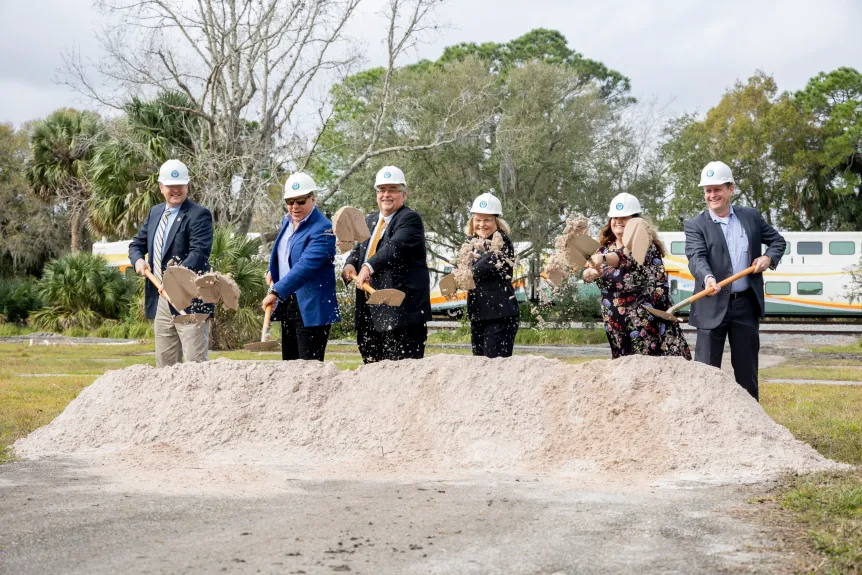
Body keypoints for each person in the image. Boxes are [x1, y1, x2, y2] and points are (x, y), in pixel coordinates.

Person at [684, 161, 786, 401]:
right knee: (706, 373)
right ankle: (706, 424)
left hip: (745, 305)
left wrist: (768, 258)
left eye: (717, 189)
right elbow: (696, 257)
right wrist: (708, 278)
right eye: (707, 190)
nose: (712, 195)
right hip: (711, 304)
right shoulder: (695, 224)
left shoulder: (750, 217)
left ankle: (752, 426)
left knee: (746, 372)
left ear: (731, 189)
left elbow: (778, 242)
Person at [583, 193, 691, 360]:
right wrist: (591, 273)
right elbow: (588, 271)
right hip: (616, 324)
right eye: (615, 217)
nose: (618, 221)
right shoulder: (604, 248)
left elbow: (624, 258)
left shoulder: (644, 244)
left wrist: (603, 259)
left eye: (624, 217)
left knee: (649, 371)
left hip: (646, 323)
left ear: (636, 222)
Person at [129, 159, 214, 368]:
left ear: (187, 186)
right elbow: (137, 244)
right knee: (165, 368)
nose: (176, 190)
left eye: (180, 186)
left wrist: (173, 278)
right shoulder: (155, 212)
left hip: (191, 300)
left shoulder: (198, 215)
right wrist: (138, 259)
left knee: (195, 365)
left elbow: (198, 253)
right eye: (170, 186)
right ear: (161, 187)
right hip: (162, 301)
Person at [343, 166, 431, 363]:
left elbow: (393, 248)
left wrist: (367, 267)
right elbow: (360, 249)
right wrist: (350, 263)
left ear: (403, 194)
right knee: (372, 374)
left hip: (401, 316)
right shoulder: (371, 220)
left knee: (402, 376)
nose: (386, 195)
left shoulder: (409, 219)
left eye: (393, 189)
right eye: (382, 190)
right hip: (369, 315)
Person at [262, 173, 340, 361]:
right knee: (289, 364)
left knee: (308, 368)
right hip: (288, 301)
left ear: (313, 198)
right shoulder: (287, 222)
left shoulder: (324, 229)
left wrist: (276, 290)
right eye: (290, 201)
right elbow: (286, 254)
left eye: (301, 201)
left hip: (312, 306)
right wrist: (273, 271)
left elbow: (305, 266)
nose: (295, 206)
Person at [464, 192, 519, 358]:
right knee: (479, 367)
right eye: (478, 220)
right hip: (479, 314)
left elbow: (485, 266)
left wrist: (462, 275)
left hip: (499, 315)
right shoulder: (474, 244)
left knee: (493, 368)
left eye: (487, 219)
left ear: (497, 221)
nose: (482, 224)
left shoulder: (501, 242)